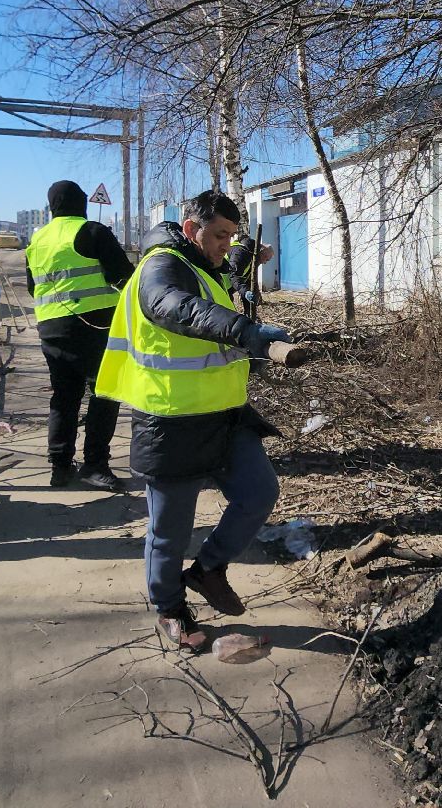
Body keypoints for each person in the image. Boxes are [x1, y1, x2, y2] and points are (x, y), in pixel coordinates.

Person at [96, 190, 288, 652]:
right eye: (220, 234)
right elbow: (171, 306)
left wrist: (248, 254)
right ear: (190, 229)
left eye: (231, 235)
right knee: (170, 532)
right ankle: (170, 608)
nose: (226, 244)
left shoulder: (204, 264)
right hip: (172, 421)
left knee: (259, 492)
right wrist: (245, 331)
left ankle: (208, 570)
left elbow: (228, 274)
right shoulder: (160, 266)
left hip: (224, 416)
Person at [25, 180, 134, 491]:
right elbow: (123, 277)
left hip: (51, 330)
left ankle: (60, 466)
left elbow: (33, 288)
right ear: (82, 203)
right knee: (104, 393)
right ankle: (95, 464)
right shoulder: (92, 231)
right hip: (94, 328)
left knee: (64, 397)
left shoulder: (37, 239)